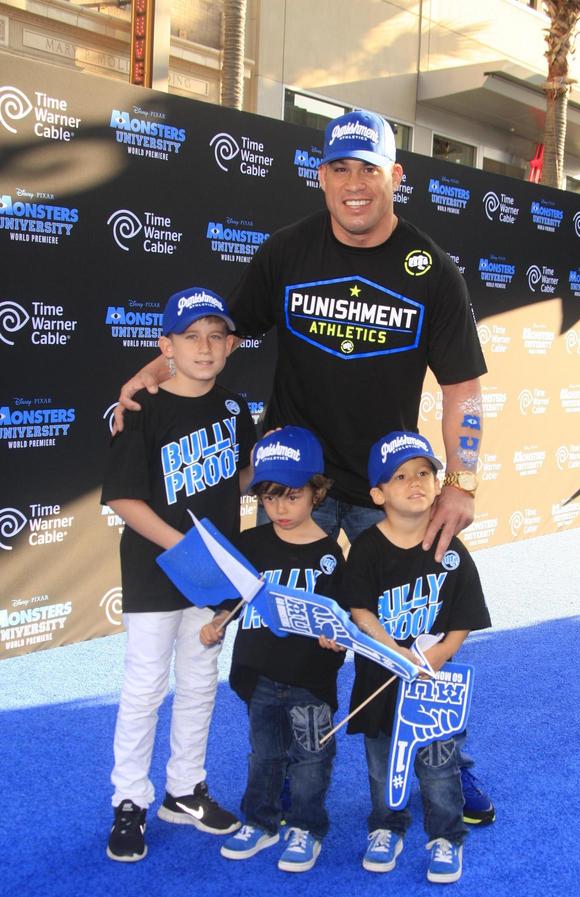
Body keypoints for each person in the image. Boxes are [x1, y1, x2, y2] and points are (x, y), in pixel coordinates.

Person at [114, 107, 493, 822]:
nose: (355, 185)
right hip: (294, 482)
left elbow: (463, 390)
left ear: (396, 177)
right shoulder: (287, 253)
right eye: (340, 169)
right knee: (289, 636)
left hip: (392, 490)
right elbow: (212, 338)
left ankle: (444, 761)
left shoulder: (430, 269)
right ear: (321, 177)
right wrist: (149, 376)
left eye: (370, 170)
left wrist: (461, 483)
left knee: (413, 631)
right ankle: (290, 768)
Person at [101, 287, 256, 862]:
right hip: (156, 568)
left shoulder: (236, 408)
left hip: (213, 575)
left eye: (217, 336)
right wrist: (189, 548)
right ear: (165, 345)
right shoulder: (142, 406)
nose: (205, 347)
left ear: (232, 344)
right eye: (190, 336)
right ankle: (130, 800)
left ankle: (184, 790)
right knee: (145, 687)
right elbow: (123, 498)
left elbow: (233, 480)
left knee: (198, 682)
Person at [342, 431, 491, 883]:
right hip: (381, 679)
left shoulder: (449, 547)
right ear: (377, 493)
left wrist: (442, 652)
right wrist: (389, 647)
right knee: (382, 763)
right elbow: (359, 607)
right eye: (400, 476)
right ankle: (387, 826)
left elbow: (465, 612)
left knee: (439, 765)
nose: (415, 482)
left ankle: (446, 836)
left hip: (432, 686)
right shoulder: (367, 548)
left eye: (424, 473)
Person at [199, 426, 345, 873]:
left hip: (310, 680)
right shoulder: (251, 544)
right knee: (263, 756)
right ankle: (260, 821)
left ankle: (306, 827)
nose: (280, 508)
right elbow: (234, 599)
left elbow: (339, 623)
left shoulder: (329, 555)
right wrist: (217, 621)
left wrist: (335, 641)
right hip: (260, 674)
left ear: (316, 493)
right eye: (269, 497)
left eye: (292, 495)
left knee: (311, 758)